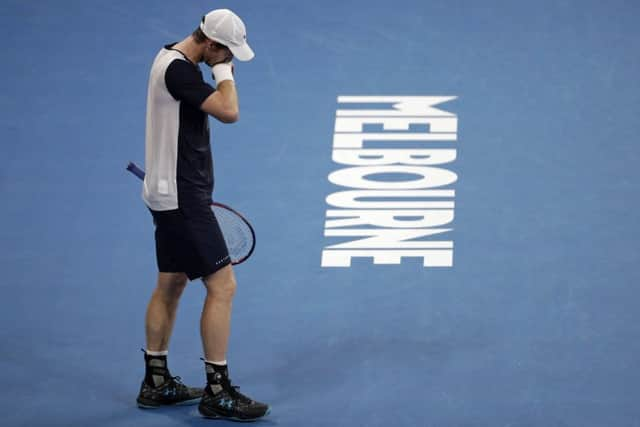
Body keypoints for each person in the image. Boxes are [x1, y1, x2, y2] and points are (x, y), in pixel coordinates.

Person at [135, 8, 270, 421]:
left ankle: (156, 381)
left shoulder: (169, 57)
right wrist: (224, 73)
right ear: (210, 44)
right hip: (182, 198)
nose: (228, 58)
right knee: (223, 286)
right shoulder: (181, 73)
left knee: (172, 282)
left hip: (167, 193)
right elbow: (229, 111)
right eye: (225, 52)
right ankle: (218, 391)